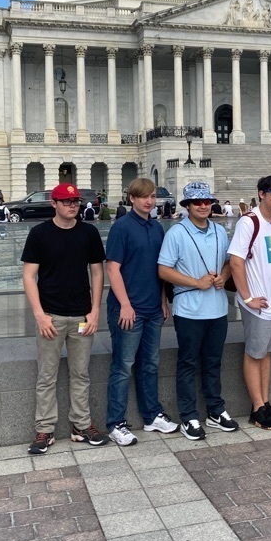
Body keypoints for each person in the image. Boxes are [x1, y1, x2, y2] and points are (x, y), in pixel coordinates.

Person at [21, 183, 108, 454]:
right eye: (67, 201)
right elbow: (28, 276)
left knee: (80, 374)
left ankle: (81, 425)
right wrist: (40, 315)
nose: (73, 206)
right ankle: (44, 430)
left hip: (82, 315)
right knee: (47, 376)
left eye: (76, 202)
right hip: (51, 317)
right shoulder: (39, 234)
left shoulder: (89, 233)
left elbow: (97, 273)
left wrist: (95, 311)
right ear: (54, 204)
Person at [158, 181, 238, 441]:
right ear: (187, 206)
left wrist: (223, 277)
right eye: (197, 202)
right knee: (188, 364)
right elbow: (163, 270)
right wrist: (197, 282)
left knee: (213, 362)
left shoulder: (218, 230)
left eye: (206, 201)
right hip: (189, 310)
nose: (203, 206)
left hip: (217, 308)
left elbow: (228, 263)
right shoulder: (176, 233)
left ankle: (215, 410)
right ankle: (189, 416)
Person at [105, 178, 178, 445]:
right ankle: (116, 423)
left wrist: (162, 300)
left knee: (150, 364)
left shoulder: (157, 228)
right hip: (128, 309)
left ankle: (152, 415)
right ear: (132, 199)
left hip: (152, 308)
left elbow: (161, 268)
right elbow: (112, 268)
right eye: (143, 197)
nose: (149, 201)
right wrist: (125, 304)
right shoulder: (121, 227)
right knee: (123, 366)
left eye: (152, 197)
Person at [228, 174, 271, 431]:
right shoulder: (248, 222)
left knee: (266, 355)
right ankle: (256, 408)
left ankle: (265, 402)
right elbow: (235, 261)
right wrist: (247, 297)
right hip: (258, 303)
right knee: (255, 354)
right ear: (261, 194)